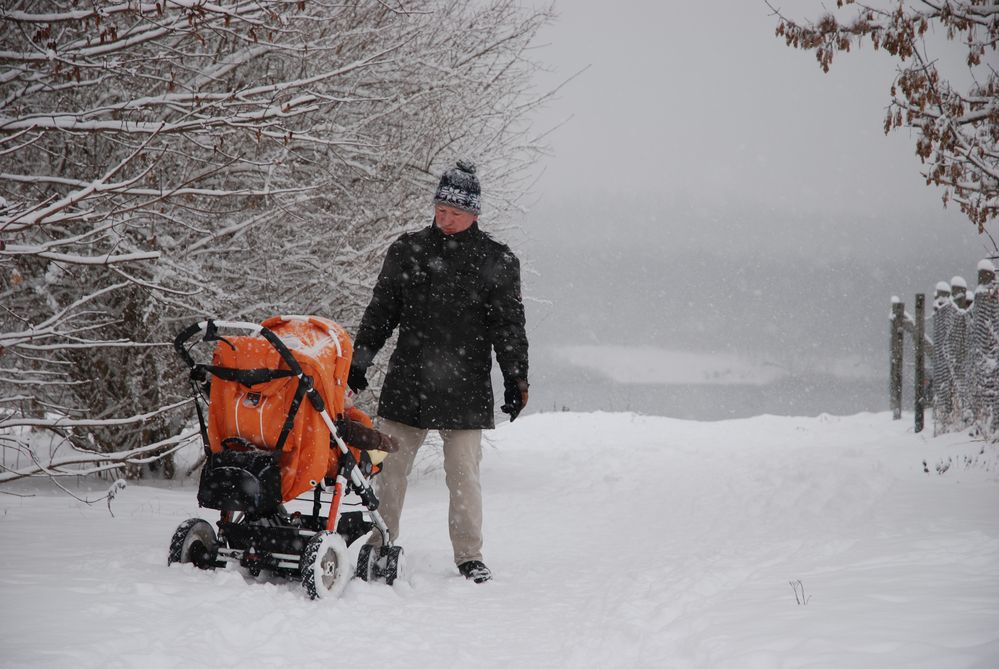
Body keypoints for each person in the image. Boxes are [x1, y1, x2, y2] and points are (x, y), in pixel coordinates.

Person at [348, 160, 529, 583]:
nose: (445, 219)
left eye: (456, 213)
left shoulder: (497, 261)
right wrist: (359, 363)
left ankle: (469, 557)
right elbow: (380, 313)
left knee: (464, 476)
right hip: (408, 382)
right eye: (441, 210)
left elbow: (509, 326)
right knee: (388, 471)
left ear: (475, 214)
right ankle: (379, 544)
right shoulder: (407, 250)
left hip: (466, 387)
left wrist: (517, 378)